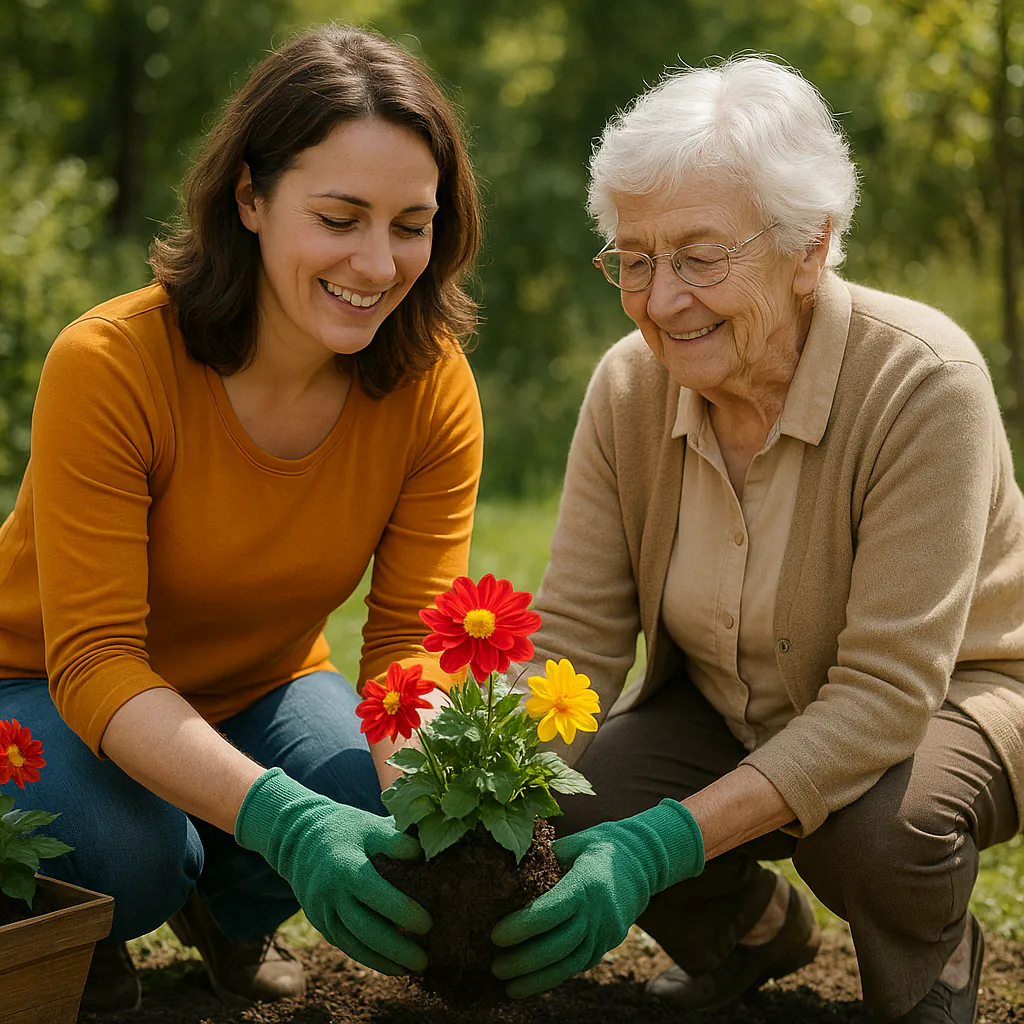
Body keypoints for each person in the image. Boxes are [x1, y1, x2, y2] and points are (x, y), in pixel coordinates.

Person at [490, 56, 1024, 1024]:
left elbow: (884, 695)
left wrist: (663, 842)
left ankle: (929, 970)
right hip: (731, 700)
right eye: (635, 258)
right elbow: (576, 634)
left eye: (699, 256)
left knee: (870, 828)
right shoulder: (629, 384)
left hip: (957, 698)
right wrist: (481, 781)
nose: (659, 300)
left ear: (809, 245)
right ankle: (748, 931)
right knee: (568, 793)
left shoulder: (921, 380)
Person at [0, 24, 483, 1014]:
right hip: (38, 682)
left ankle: (222, 909)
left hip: (256, 682)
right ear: (251, 198)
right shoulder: (111, 364)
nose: (379, 263)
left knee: (361, 790)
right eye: (340, 217)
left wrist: (434, 805)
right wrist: (282, 819)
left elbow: (405, 649)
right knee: (134, 853)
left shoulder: (431, 383)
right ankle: (81, 922)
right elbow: (95, 659)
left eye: (410, 223)